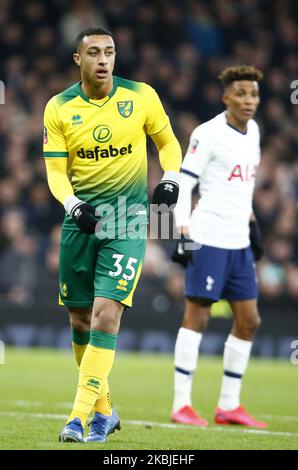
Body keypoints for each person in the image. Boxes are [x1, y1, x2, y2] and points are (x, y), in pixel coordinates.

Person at [43, 27, 181, 443]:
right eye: (94, 53)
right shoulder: (59, 107)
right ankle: (106, 410)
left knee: (107, 312)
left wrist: (171, 178)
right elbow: (54, 170)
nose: (104, 60)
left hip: (129, 219)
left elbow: (168, 141)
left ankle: (78, 416)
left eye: (110, 52)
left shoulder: (141, 96)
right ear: (77, 59)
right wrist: (72, 205)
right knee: (80, 318)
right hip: (80, 220)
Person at [171, 65, 267, 428]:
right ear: (225, 96)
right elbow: (183, 183)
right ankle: (181, 405)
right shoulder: (207, 134)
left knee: (250, 320)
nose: (248, 100)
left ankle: (229, 405)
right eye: (241, 93)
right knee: (198, 317)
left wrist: (252, 221)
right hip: (207, 237)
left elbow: (242, 186)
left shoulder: (254, 132)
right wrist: (180, 230)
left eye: (254, 94)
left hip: (238, 241)